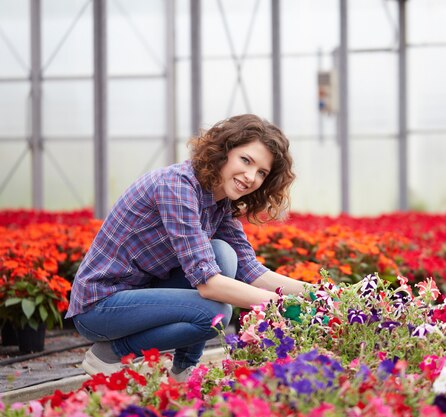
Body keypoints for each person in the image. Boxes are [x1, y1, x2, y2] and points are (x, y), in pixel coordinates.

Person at [66, 114, 309, 381]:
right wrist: (282, 305)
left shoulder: (219, 203)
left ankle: (184, 370)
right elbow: (209, 285)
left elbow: (251, 271)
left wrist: (320, 294)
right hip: (100, 306)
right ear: (223, 152)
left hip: (140, 296)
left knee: (224, 254)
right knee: (215, 314)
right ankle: (110, 352)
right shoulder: (177, 187)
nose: (250, 176)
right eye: (246, 160)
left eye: (261, 172)